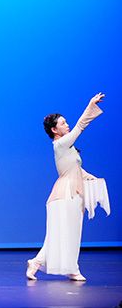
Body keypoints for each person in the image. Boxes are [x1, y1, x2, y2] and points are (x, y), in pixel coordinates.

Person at [26, 93, 108, 281]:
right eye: (63, 123)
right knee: (66, 232)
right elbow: (80, 126)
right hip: (66, 194)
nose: (67, 125)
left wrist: (91, 178)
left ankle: (37, 263)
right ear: (54, 130)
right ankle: (71, 268)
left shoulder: (68, 148)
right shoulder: (60, 144)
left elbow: (76, 169)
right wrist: (91, 105)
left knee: (65, 232)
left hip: (73, 192)